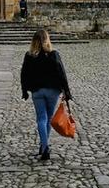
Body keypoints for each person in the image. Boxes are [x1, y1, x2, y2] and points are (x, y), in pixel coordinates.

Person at [20, 29, 72, 161]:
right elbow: (61, 73)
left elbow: (24, 74)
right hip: (52, 91)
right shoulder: (54, 54)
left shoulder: (29, 56)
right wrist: (67, 92)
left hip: (37, 91)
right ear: (47, 40)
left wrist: (24, 91)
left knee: (41, 119)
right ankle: (44, 146)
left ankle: (44, 146)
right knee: (48, 118)